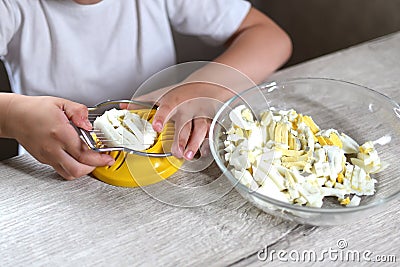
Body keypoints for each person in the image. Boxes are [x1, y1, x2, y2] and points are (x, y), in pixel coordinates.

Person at [0, 0, 292, 180]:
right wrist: (14, 115)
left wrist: (203, 86)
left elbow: (270, 38)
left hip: (169, 160)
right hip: (54, 172)